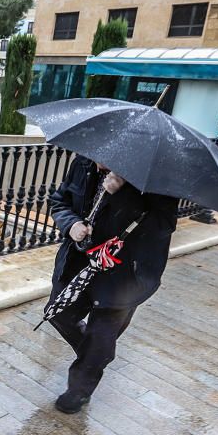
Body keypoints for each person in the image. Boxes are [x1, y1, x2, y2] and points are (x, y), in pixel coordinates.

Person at [47, 154, 179, 414]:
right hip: (80, 262)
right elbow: (59, 200)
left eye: (109, 159)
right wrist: (70, 224)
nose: (100, 164)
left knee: (100, 335)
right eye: (97, 157)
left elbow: (164, 225)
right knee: (59, 312)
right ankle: (97, 353)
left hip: (125, 273)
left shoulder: (155, 179)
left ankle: (79, 389)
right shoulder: (83, 164)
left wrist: (122, 194)